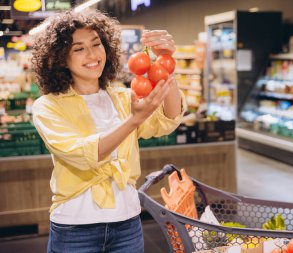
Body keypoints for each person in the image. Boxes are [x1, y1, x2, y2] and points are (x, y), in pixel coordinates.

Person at [31, 9, 186, 253]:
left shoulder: (123, 97)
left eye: (96, 44)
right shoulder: (48, 106)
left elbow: (166, 120)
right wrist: (133, 121)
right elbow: (83, 155)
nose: (92, 54)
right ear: (60, 58)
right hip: (75, 228)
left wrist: (166, 66)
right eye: (78, 48)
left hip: (127, 223)